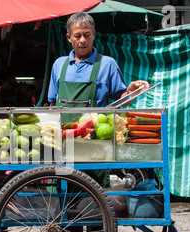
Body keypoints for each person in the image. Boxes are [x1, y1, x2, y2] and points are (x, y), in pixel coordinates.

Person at [48, 12, 149, 187]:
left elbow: (121, 103)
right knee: (64, 194)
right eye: (77, 36)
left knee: (96, 196)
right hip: (64, 144)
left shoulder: (107, 64)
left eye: (87, 35)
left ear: (94, 34)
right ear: (69, 37)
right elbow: (51, 106)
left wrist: (131, 92)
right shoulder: (59, 65)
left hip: (95, 144)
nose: (82, 40)